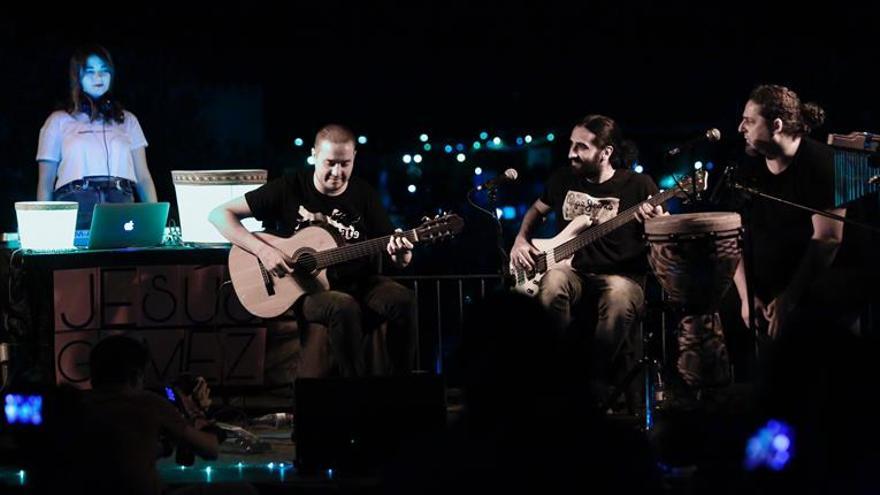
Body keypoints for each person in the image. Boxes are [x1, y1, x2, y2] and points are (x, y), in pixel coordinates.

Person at [209, 123, 417, 377]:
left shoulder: (365, 195)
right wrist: (264, 252)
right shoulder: (289, 187)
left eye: (345, 163)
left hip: (360, 282)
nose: (337, 172)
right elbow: (219, 215)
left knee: (404, 300)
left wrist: (401, 253)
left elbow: (396, 255)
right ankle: (358, 394)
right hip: (306, 289)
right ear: (314, 155)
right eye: (330, 162)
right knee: (343, 306)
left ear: (354, 159)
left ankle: (403, 386)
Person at [509, 114, 663, 402]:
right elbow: (535, 211)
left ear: (606, 153)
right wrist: (520, 240)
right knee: (553, 281)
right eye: (571, 144)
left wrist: (655, 221)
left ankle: (591, 380)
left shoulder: (639, 185)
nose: (571, 153)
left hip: (622, 277)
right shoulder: (562, 179)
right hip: (572, 272)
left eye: (581, 147)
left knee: (618, 295)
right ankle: (557, 371)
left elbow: (662, 233)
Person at [732, 84, 845, 339]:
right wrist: (747, 298)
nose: (741, 129)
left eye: (749, 121)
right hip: (764, 293)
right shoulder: (747, 171)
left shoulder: (822, 164)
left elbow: (828, 239)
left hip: (816, 290)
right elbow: (735, 240)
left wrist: (788, 300)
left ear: (777, 126)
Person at [36, 44, 158, 230]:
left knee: (122, 257)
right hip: (75, 207)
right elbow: (45, 183)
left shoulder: (128, 121)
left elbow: (143, 177)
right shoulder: (58, 121)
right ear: (78, 77)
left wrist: (154, 222)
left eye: (104, 71)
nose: (98, 77)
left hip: (121, 206)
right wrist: (44, 226)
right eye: (90, 71)